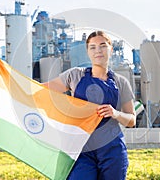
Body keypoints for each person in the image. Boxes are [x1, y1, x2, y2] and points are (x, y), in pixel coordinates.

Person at [43, 31, 136, 180]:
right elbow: (42, 89)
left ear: (111, 49)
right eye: (92, 47)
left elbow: (131, 120)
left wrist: (115, 113)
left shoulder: (121, 82)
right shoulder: (74, 76)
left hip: (112, 150)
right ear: (87, 52)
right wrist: (11, 81)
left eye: (102, 46)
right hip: (80, 148)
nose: (98, 51)